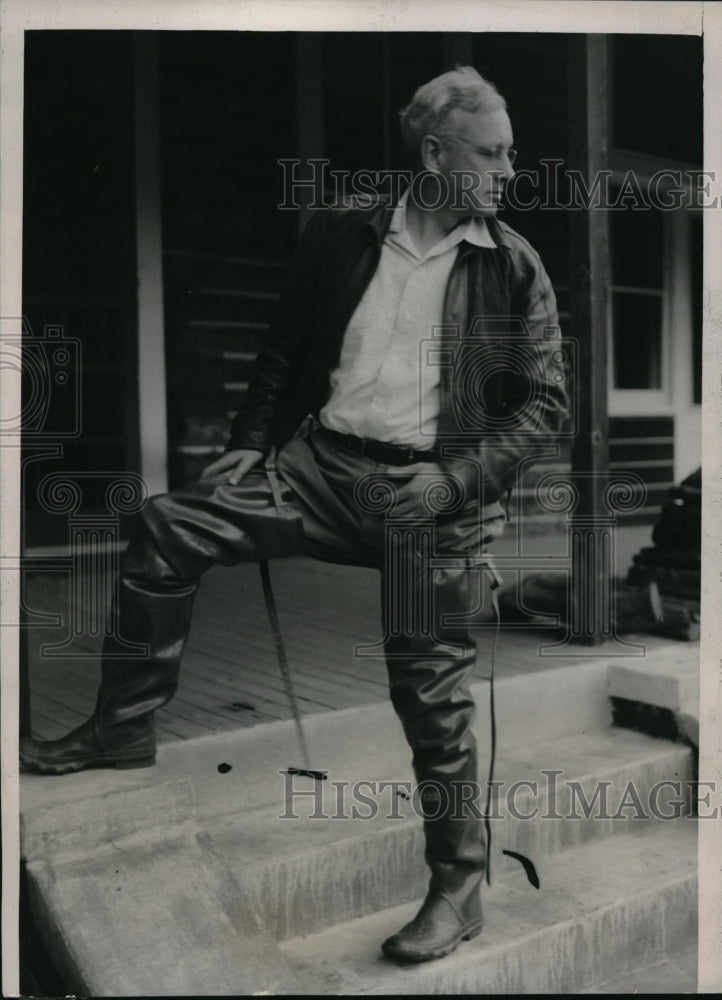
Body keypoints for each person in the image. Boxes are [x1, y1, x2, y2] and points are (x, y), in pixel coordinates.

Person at [20, 66, 567, 963]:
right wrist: (251, 438)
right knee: (167, 525)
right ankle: (121, 729)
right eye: (494, 152)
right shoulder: (342, 232)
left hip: (429, 496)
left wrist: (457, 482)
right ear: (435, 154)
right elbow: (284, 344)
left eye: (512, 153)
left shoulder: (512, 265)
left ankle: (460, 887)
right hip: (319, 468)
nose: (513, 169)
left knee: (431, 695)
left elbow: (543, 406)